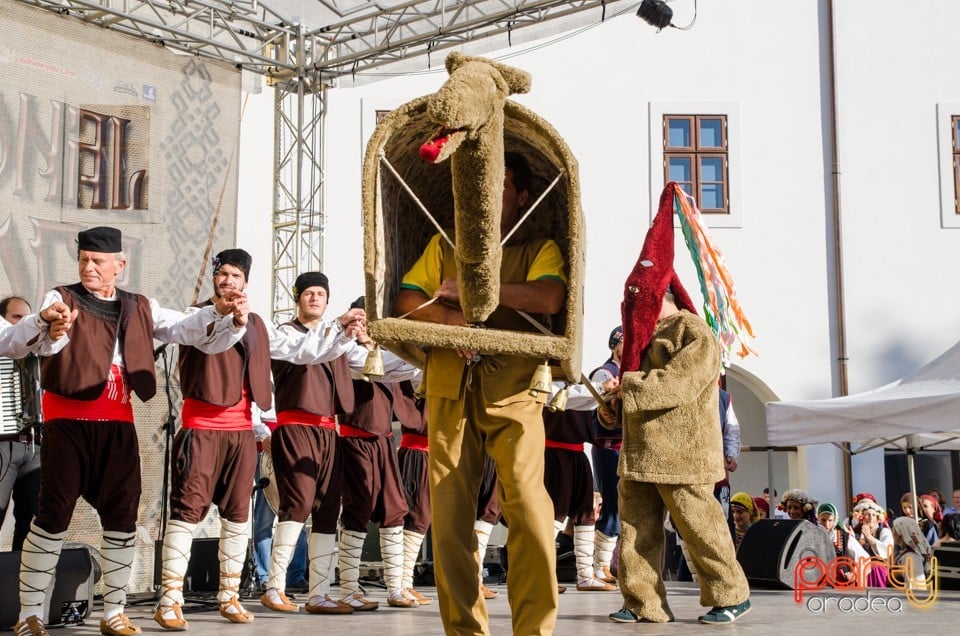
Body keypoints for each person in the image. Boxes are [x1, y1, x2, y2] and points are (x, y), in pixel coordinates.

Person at [10, 227, 247, 636]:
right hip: (67, 426)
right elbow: (27, 342)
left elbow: (190, 330)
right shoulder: (60, 299)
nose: (88, 267)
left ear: (120, 265)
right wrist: (47, 323)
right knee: (51, 516)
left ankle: (114, 610)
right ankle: (29, 613)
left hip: (118, 426)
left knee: (122, 518)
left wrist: (220, 312)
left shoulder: (140, 306)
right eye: (83, 259)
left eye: (98, 261)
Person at [394, 151, 565, 635]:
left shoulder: (539, 248)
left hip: (515, 390)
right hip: (449, 387)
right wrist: (454, 321)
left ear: (523, 197)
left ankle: (534, 631)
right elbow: (407, 301)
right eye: (479, 187)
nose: (487, 197)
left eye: (501, 186)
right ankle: (465, 631)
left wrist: (475, 293)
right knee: (447, 521)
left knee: (530, 509)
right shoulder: (444, 246)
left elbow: (550, 297)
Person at [154, 252, 365, 631]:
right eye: (223, 274)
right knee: (187, 513)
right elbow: (211, 337)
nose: (228, 281)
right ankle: (170, 600)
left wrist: (341, 326)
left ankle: (229, 597)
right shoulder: (193, 317)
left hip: (240, 435)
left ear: (245, 282)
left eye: (235, 275)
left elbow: (306, 349)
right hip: (202, 428)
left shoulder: (259, 324)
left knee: (238, 517)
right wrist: (222, 313)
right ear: (215, 279)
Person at [608, 290, 751, 625]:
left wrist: (628, 386)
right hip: (640, 452)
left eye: (632, 300)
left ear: (657, 296)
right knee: (635, 531)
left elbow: (678, 384)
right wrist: (611, 405)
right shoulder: (641, 336)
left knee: (699, 526)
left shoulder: (694, 331)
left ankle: (732, 594)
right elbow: (635, 394)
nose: (626, 308)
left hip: (682, 452)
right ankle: (643, 602)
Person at [543, 381, 619, 592]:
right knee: (554, 516)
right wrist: (600, 388)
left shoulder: (579, 378)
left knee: (585, 515)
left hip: (577, 452)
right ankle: (541, 576)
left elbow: (586, 403)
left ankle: (586, 576)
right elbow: (560, 396)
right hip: (554, 452)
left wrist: (604, 394)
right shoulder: (548, 373)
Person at [0, 297, 42, 552]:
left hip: (36, 445)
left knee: (33, 521)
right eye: (17, 317)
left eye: (27, 318)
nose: (24, 323)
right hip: (3, 443)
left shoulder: (39, 348)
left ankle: (19, 585)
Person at [589, 326, 623, 585]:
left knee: (624, 508)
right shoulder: (605, 372)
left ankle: (610, 565)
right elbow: (605, 397)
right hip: (609, 446)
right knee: (612, 505)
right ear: (614, 345)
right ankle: (600, 566)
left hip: (627, 447)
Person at [395, 379, 433, 605]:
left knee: (421, 519)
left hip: (428, 453)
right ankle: (403, 583)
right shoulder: (415, 374)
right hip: (417, 453)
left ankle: (405, 581)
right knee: (417, 518)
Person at [816, 502, 867, 583]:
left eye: (830, 520)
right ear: (818, 519)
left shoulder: (843, 537)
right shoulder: (812, 536)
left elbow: (864, 557)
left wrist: (853, 573)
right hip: (817, 581)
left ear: (835, 520)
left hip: (840, 582)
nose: (827, 524)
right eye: (823, 520)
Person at [851, 499, 893, 588]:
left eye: (873, 515)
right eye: (867, 514)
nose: (871, 517)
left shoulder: (884, 531)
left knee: (875, 569)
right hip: (861, 570)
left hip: (878, 569)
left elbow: (887, 550)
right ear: (861, 517)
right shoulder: (855, 532)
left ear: (878, 518)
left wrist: (870, 538)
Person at [890, 516, 932, 590]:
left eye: (894, 529)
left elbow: (915, 589)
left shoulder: (911, 558)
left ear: (901, 532)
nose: (892, 532)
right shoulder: (906, 554)